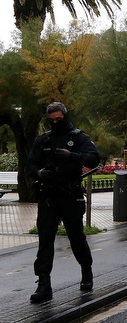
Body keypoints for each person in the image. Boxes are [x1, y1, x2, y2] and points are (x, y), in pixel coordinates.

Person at [25, 102, 101, 302]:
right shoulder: (44, 140)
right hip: (49, 195)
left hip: (69, 194)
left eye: (59, 119)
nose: (55, 123)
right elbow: (31, 163)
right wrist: (39, 173)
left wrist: (72, 156)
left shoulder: (77, 137)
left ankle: (86, 271)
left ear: (65, 117)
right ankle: (43, 284)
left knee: (76, 238)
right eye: (52, 120)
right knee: (45, 241)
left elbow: (94, 158)